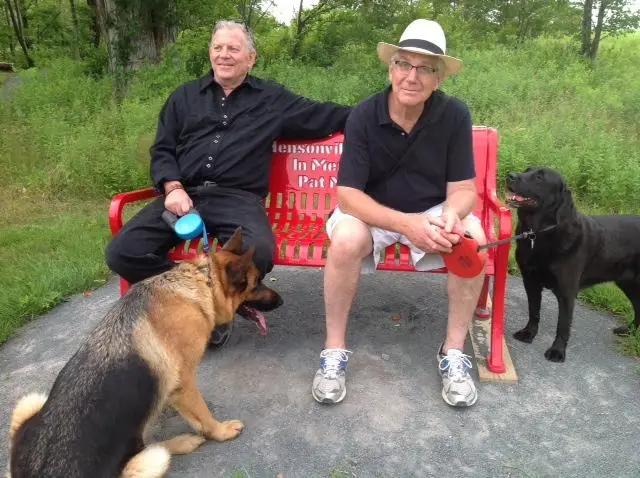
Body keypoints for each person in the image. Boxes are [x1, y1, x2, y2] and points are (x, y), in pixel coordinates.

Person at [105, 20, 351, 345]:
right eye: (218, 48)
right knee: (123, 252)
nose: (224, 55)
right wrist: (172, 186)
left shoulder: (272, 99)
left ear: (251, 58)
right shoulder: (183, 98)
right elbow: (163, 149)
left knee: (259, 252)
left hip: (238, 199)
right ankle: (202, 305)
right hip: (184, 197)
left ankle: (209, 310)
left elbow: (326, 115)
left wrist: (387, 111)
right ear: (210, 53)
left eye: (233, 49)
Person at [311, 19, 486, 407]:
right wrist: (408, 224)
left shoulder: (454, 115)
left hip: (434, 210)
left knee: (475, 241)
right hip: (374, 211)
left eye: (425, 68)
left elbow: (463, 191)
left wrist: (452, 216)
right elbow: (348, 197)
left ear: (438, 78)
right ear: (390, 68)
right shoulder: (363, 115)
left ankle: (453, 353)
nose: (412, 76)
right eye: (404, 64)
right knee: (345, 239)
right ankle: (333, 351)